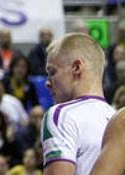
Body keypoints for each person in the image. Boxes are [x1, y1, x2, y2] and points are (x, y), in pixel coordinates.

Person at [43, 33, 114, 173]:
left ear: (76, 67)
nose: (47, 83)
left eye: (52, 72)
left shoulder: (61, 114)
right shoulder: (117, 118)